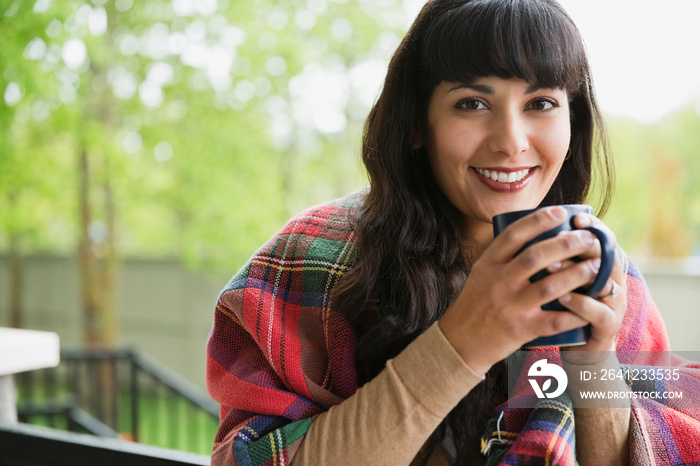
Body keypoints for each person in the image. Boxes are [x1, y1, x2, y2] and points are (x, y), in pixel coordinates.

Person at [206, 0, 700, 464]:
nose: (511, 142)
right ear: (418, 123)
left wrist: (594, 361)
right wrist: (466, 340)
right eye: (472, 104)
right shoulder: (311, 259)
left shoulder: (607, 277)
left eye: (542, 103)